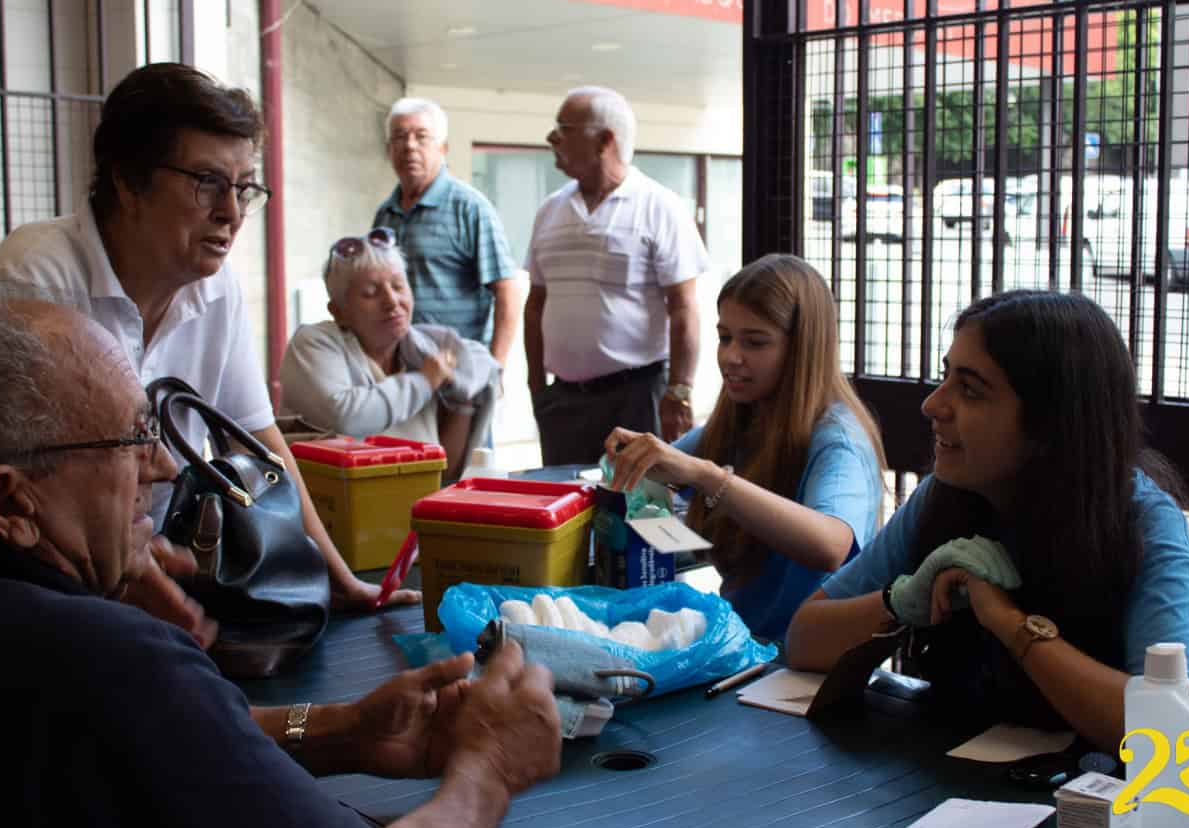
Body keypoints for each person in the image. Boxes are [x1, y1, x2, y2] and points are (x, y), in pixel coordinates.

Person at [0, 277, 561, 828]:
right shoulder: (100, 659)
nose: (164, 466)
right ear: (11, 503)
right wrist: (489, 769)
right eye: (132, 437)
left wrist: (344, 728)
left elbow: (158, 743)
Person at [0, 62, 388, 611]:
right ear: (127, 179)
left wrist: (340, 580)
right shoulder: (31, 281)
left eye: (244, 188)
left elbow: (259, 444)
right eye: (208, 184)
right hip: (31, 585)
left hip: (153, 560)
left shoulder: (217, 290)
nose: (232, 213)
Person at [786, 290, 1189, 753]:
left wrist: (1010, 623)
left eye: (969, 389)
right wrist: (901, 599)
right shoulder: (946, 495)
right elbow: (804, 638)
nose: (933, 405)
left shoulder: (1143, 523)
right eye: (944, 376)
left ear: (1053, 421)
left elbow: (1180, 735)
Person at [604, 254, 885, 643]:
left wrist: (708, 478)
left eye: (755, 342)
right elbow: (658, 472)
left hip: (806, 666)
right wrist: (629, 464)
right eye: (724, 337)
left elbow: (831, 545)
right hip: (745, 649)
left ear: (802, 348)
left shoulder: (838, 441)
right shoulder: (743, 419)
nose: (731, 356)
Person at [525, 85, 708, 465]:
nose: (552, 139)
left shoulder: (659, 207)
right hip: (563, 402)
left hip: (637, 399)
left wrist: (680, 392)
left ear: (605, 140)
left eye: (565, 129)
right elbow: (535, 304)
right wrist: (536, 388)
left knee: (637, 512)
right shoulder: (549, 211)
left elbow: (684, 308)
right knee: (566, 512)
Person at [280, 228, 500, 480]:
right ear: (338, 311)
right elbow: (345, 417)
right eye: (371, 293)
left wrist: (463, 396)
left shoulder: (425, 350)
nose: (392, 301)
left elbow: (442, 473)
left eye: (398, 286)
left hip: (410, 503)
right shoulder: (314, 344)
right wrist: (425, 381)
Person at [372, 97, 520, 366]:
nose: (410, 146)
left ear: (443, 148)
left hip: (460, 372)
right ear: (388, 150)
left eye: (422, 137)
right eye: (400, 137)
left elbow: (507, 290)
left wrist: (495, 369)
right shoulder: (385, 215)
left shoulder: (471, 209)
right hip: (402, 372)